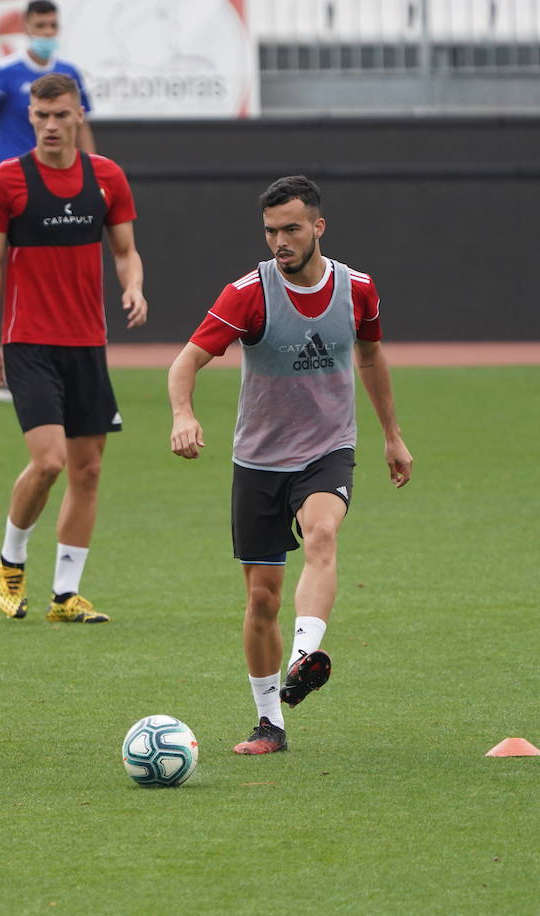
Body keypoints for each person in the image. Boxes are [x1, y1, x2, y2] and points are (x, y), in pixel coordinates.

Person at [166, 176, 413, 754]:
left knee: (323, 532)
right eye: (271, 231)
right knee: (262, 601)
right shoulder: (247, 294)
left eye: (292, 229)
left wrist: (392, 436)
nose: (280, 241)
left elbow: (372, 357)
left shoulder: (358, 289)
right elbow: (185, 362)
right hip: (258, 460)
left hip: (328, 449)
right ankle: (270, 722)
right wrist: (183, 413)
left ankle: (306, 654)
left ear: (319, 227)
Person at [0, 73, 146, 624]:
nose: (51, 125)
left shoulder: (106, 178)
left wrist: (133, 284)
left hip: (87, 344)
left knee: (88, 470)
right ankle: (10, 560)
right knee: (48, 461)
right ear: (30, 117)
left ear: (79, 116)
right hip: (29, 344)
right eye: (41, 115)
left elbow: (125, 250)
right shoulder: (7, 182)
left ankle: (65, 595)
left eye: (62, 115)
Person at [0, 1, 96, 215]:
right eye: (40, 25)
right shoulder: (4, 72)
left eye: (53, 25)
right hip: (12, 177)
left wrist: (90, 175)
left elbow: (82, 127)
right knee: (10, 245)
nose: (47, 32)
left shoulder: (69, 73)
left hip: (58, 175)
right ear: (26, 27)